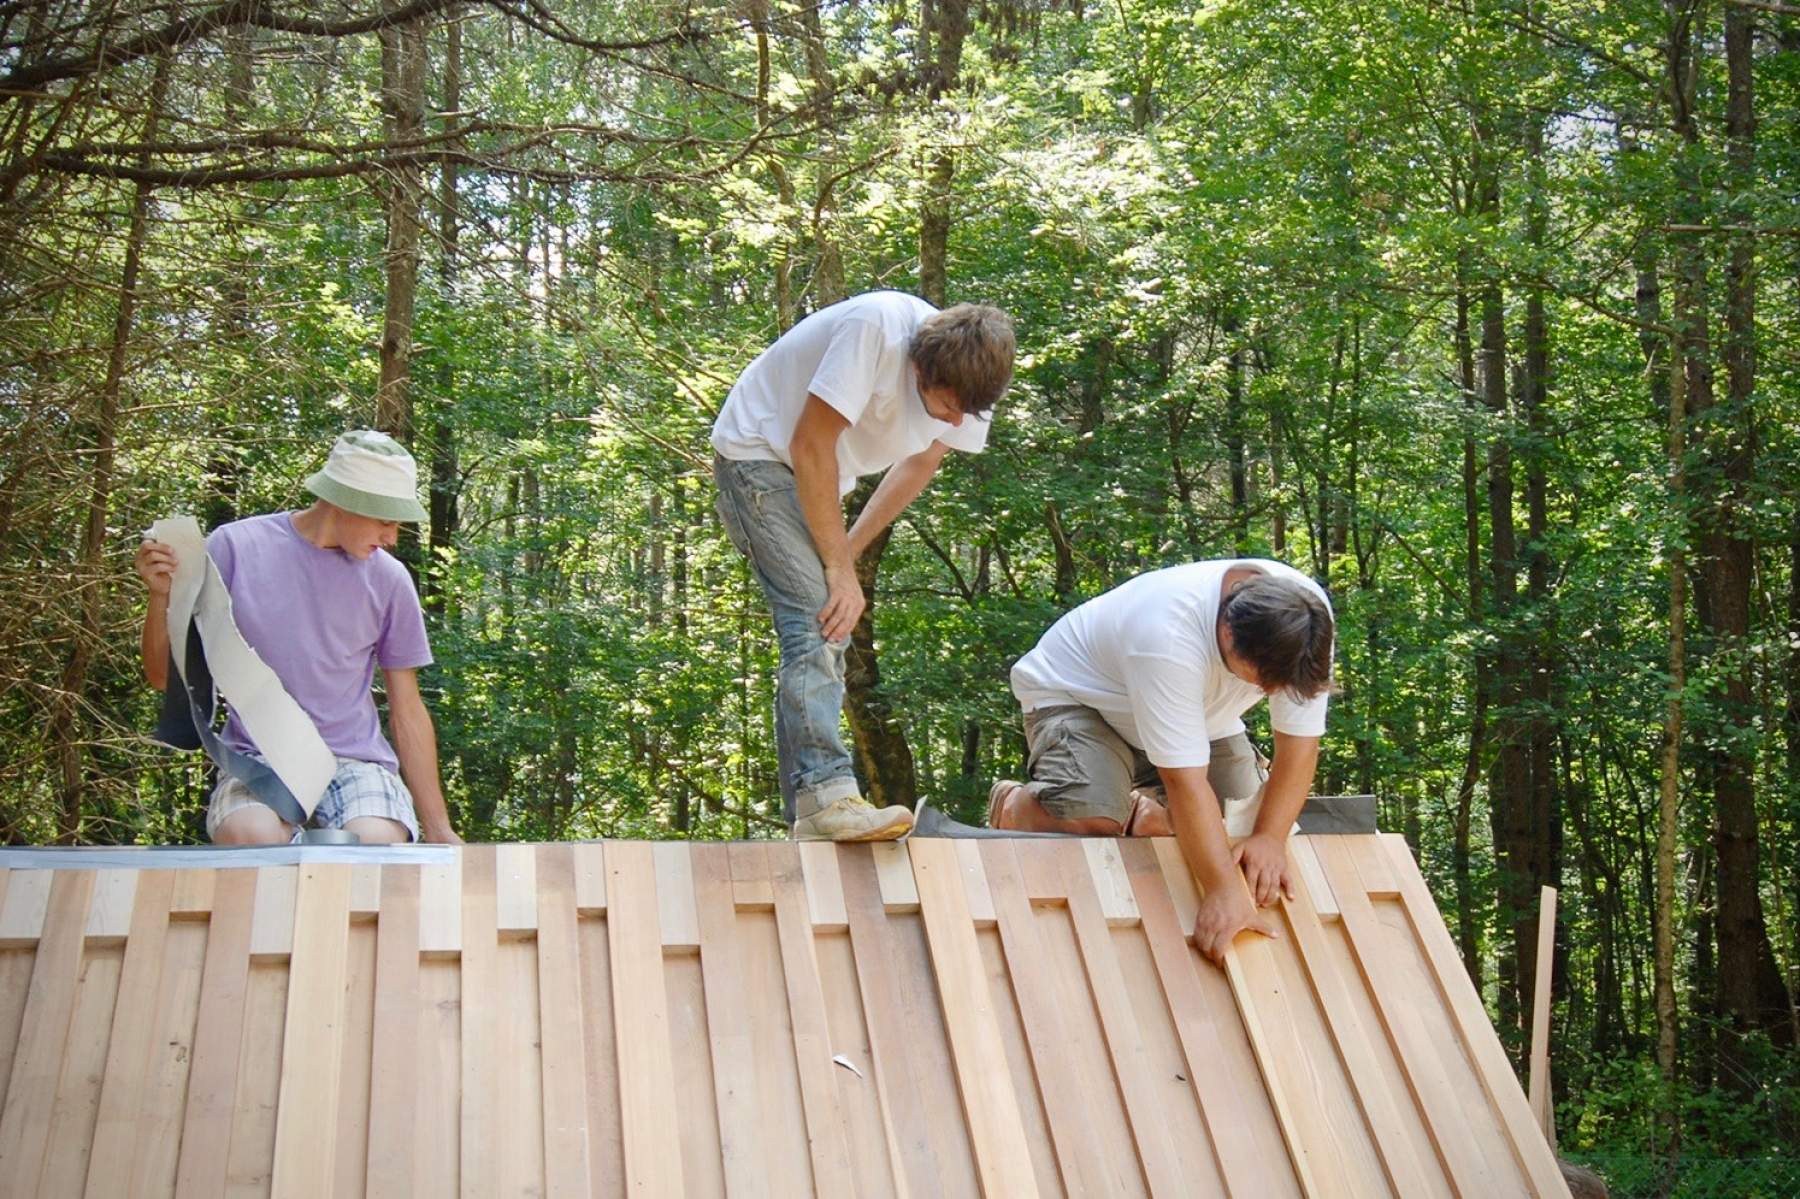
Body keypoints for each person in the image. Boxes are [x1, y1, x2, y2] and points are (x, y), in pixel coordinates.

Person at [712, 291, 1015, 840]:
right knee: (817, 615)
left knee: (828, 611)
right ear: (920, 364)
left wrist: (846, 553)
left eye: (961, 413)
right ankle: (825, 797)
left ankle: (811, 812)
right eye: (943, 404)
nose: (952, 419)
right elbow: (810, 445)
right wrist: (836, 569)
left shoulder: (973, 383)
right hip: (758, 453)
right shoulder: (874, 330)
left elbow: (921, 463)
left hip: (816, 474)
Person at [988, 559, 1334, 962]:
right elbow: (1185, 781)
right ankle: (1016, 806)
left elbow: (1300, 747)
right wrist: (1222, 890)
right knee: (1092, 823)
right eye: (1260, 682)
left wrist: (1270, 838)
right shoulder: (1167, 634)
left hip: (1200, 720)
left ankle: (1143, 817)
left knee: (1239, 832)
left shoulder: (1306, 621)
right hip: (1082, 701)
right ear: (1226, 632)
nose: (1267, 691)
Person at [134, 430, 461, 846]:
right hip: (259, 759)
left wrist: (438, 827)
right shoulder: (235, 547)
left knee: (378, 843)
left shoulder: (390, 579)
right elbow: (164, 677)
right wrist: (161, 596)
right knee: (250, 836)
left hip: (356, 762)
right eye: (385, 521)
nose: (392, 538)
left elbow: (408, 708)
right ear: (346, 500)